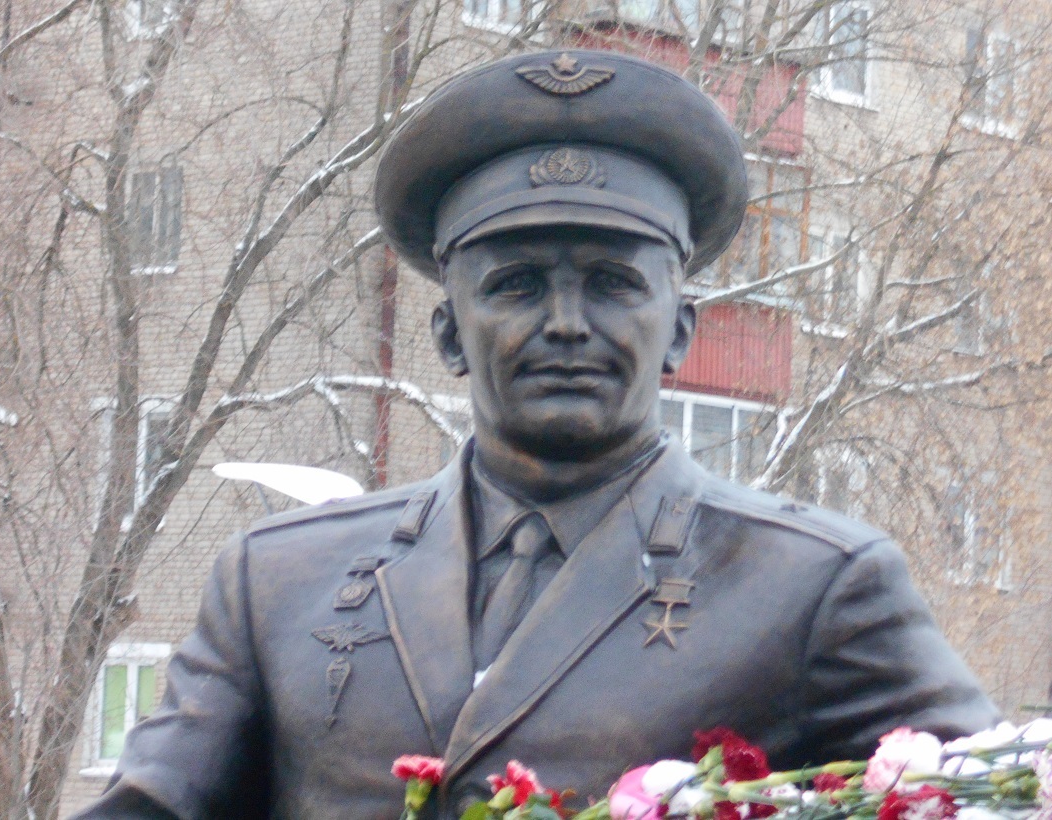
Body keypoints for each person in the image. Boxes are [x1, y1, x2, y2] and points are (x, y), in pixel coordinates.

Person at [76, 49, 998, 819]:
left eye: (611, 282)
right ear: (446, 333)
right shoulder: (278, 580)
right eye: (516, 285)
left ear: (678, 328)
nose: (565, 323)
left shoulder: (813, 583)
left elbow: (991, 799)